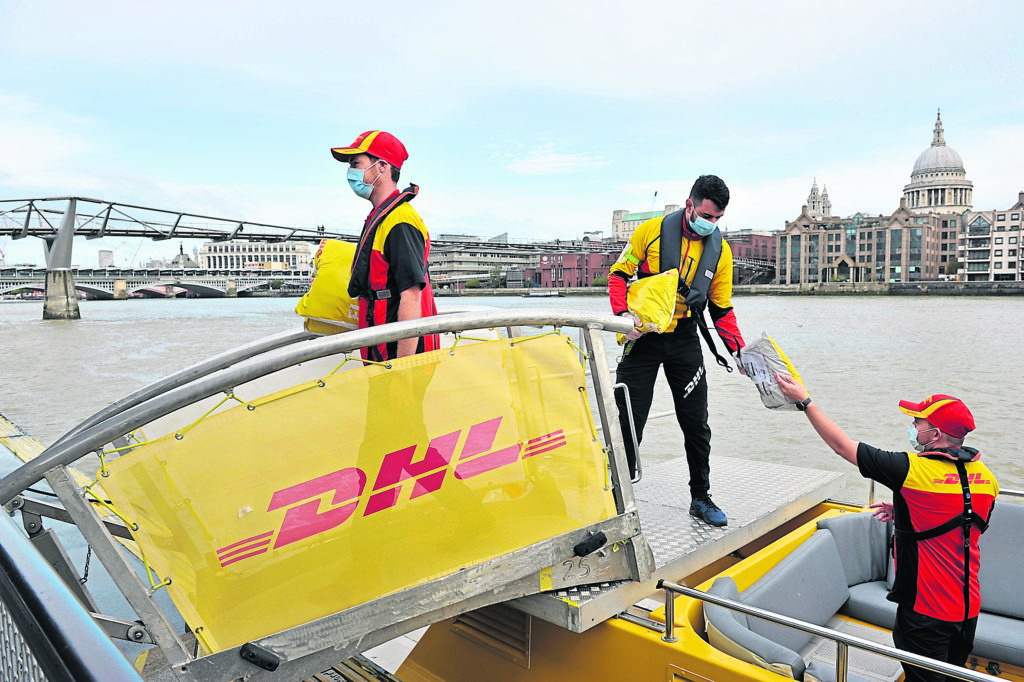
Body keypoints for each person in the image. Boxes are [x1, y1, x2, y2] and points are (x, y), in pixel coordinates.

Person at [775, 375, 998, 682]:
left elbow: (842, 446)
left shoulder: (912, 470)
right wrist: (908, 511)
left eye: (918, 422)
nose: (914, 428)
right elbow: (968, 522)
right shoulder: (985, 476)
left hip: (926, 612)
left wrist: (805, 401)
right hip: (968, 610)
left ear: (936, 433)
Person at [608, 174, 745, 527]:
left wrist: (740, 352)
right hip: (644, 337)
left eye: (717, 219)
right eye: (706, 215)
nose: (710, 224)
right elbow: (619, 275)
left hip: (685, 339)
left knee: (696, 424)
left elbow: (722, 310)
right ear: (690, 205)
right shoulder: (648, 232)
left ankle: (700, 497)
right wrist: (623, 317)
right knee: (627, 421)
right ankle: (614, 500)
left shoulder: (721, 252)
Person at [331, 130, 438, 361]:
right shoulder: (382, 217)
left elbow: (411, 294)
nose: (351, 172)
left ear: (381, 166)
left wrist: (404, 369)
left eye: (356, 163)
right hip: (380, 349)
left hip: (398, 359)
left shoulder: (401, 220)